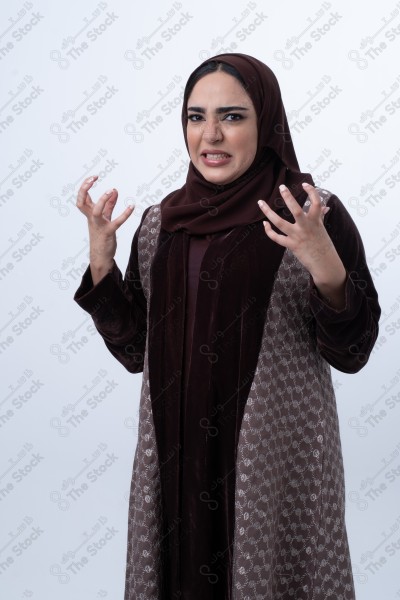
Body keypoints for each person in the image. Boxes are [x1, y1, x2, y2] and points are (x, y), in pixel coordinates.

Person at [74, 53, 380, 600]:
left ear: (266, 122)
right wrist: (102, 264)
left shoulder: (311, 214)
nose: (210, 134)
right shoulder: (160, 226)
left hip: (273, 461)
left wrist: (324, 264)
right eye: (196, 116)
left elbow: (354, 351)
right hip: (178, 457)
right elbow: (138, 352)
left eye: (233, 116)